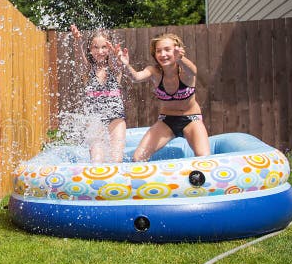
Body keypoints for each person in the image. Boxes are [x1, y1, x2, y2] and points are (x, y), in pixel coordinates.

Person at [118, 32, 210, 161]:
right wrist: (125, 64)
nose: (163, 54)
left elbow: (193, 71)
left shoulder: (184, 71)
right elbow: (136, 77)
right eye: (158, 51)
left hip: (191, 119)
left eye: (167, 50)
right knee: (138, 158)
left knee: (203, 158)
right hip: (167, 121)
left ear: (177, 51)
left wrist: (181, 60)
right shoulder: (154, 72)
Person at [69, 24, 127, 163]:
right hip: (95, 121)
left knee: (116, 159)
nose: (99, 51)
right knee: (96, 160)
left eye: (104, 47)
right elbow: (79, 58)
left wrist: (115, 55)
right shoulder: (88, 71)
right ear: (89, 49)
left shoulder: (114, 69)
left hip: (116, 120)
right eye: (95, 47)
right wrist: (77, 41)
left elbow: (117, 62)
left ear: (109, 48)